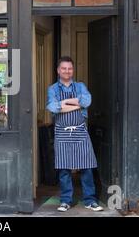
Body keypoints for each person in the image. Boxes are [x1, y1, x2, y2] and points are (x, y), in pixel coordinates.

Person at [46, 56, 103, 212]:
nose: (67, 71)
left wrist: (64, 104)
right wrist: (74, 104)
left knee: (87, 167)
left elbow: (86, 102)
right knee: (64, 169)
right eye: (64, 68)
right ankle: (65, 201)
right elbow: (52, 107)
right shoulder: (53, 89)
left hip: (80, 130)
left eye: (69, 68)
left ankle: (90, 200)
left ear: (73, 70)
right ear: (58, 70)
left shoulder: (80, 86)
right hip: (62, 132)